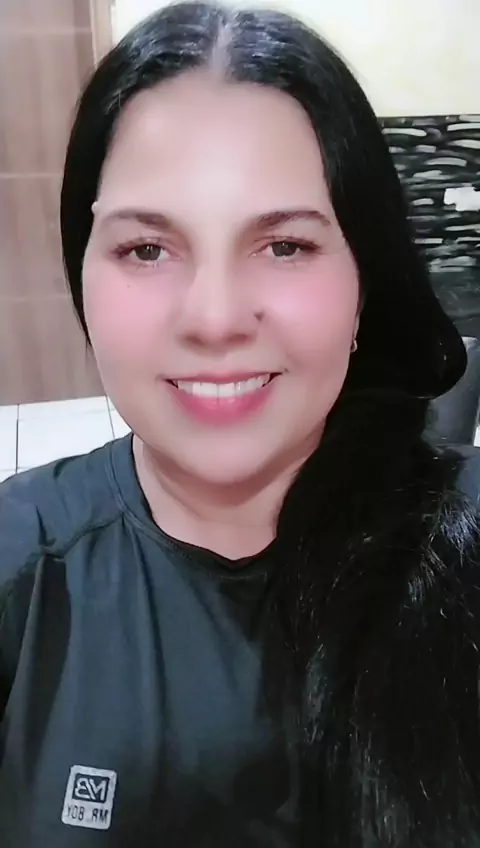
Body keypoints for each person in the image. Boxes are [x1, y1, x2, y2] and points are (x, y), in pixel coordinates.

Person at [1, 2, 480, 845]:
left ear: (364, 282)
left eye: (284, 246)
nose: (215, 318)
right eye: (147, 249)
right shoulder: (21, 568)